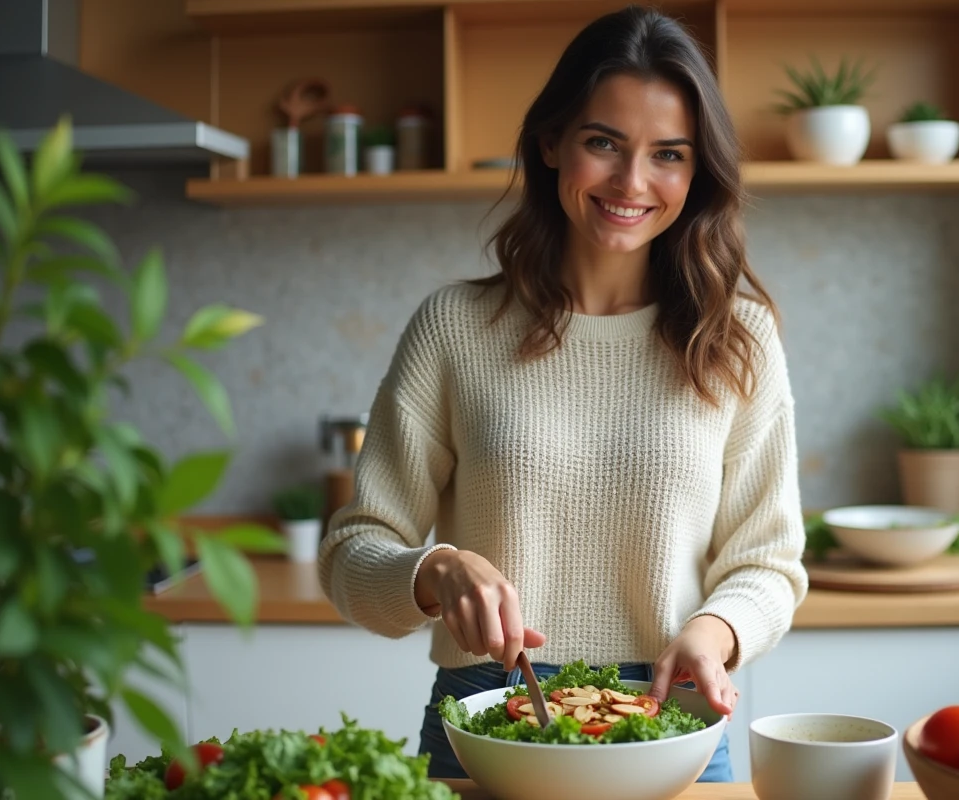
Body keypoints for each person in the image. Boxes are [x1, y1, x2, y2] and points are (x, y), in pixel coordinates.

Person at [317, 4, 808, 782]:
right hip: (484, 718)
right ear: (551, 143)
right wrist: (434, 570)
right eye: (603, 142)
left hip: (670, 719)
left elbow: (769, 563)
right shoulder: (455, 328)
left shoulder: (736, 337)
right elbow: (350, 555)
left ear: (697, 171)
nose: (632, 181)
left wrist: (715, 631)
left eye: (669, 155)